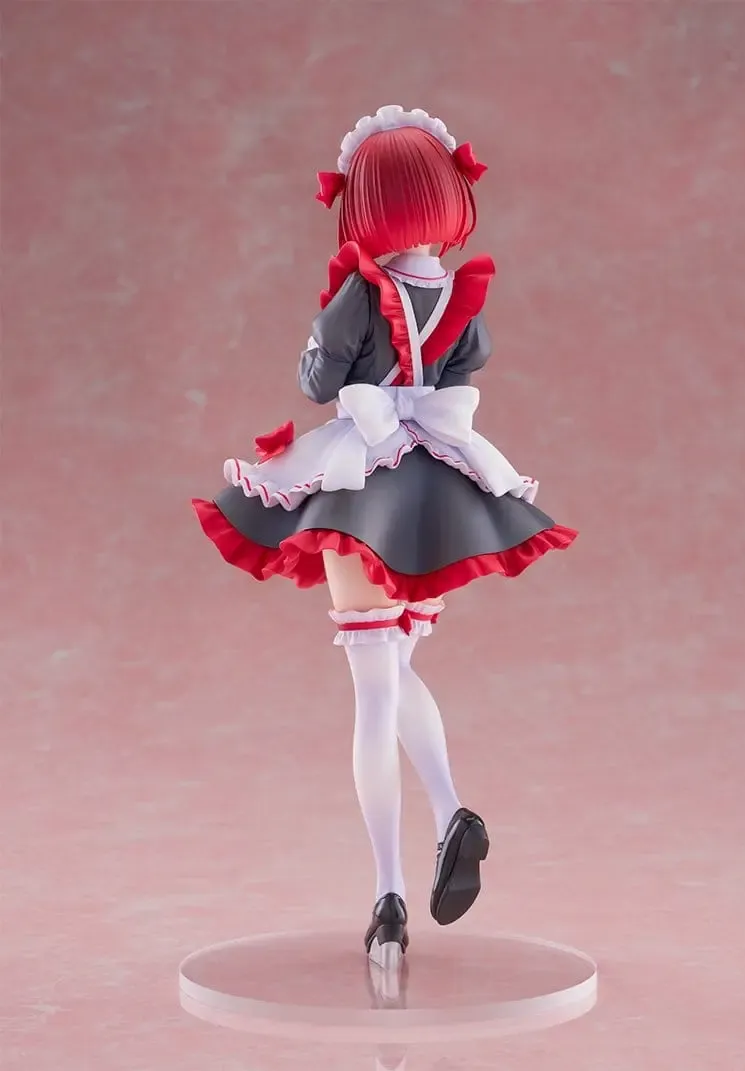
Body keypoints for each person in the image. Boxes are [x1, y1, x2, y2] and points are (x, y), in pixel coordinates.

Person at [192, 105, 577, 970]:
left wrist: (334, 338)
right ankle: (451, 813)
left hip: (366, 484)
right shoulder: (460, 294)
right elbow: (463, 370)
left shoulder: (362, 294)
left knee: (374, 689)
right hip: (434, 489)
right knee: (398, 666)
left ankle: (389, 896)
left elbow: (318, 377)